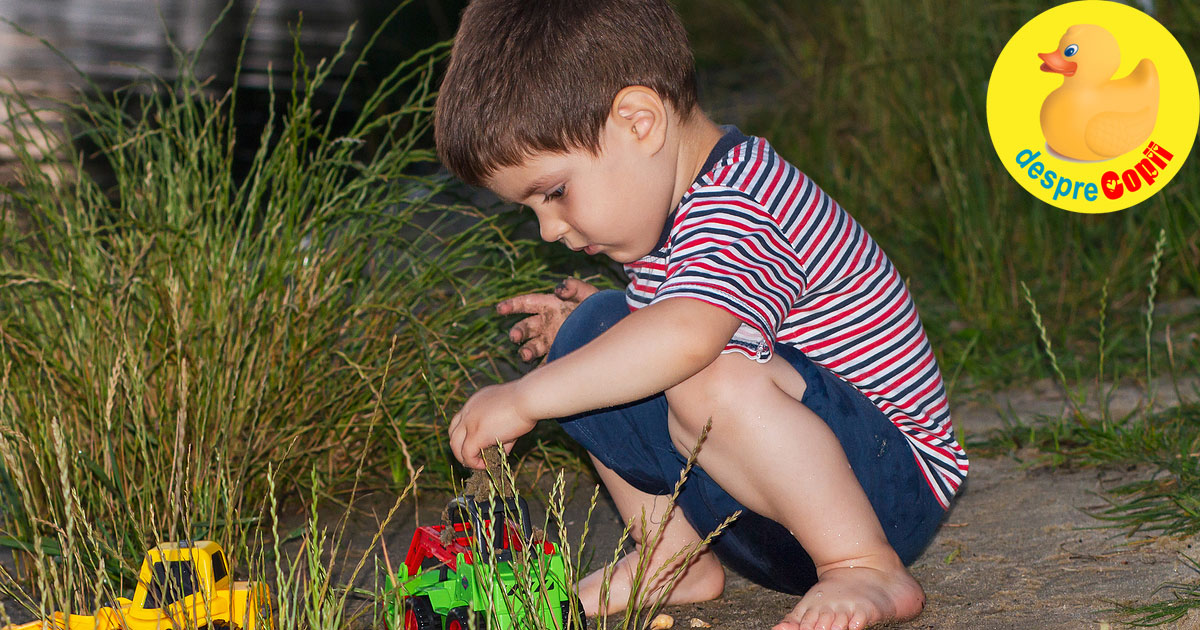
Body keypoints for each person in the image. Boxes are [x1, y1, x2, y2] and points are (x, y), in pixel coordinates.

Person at [436, 1, 969, 629]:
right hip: (765, 513)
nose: (550, 229)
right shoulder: (675, 211)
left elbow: (687, 336)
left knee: (702, 370)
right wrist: (583, 342)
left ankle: (864, 568)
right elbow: (663, 330)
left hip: (885, 489)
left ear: (639, 122)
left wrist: (527, 398)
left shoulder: (746, 199)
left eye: (554, 193)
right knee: (596, 336)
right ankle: (673, 557)